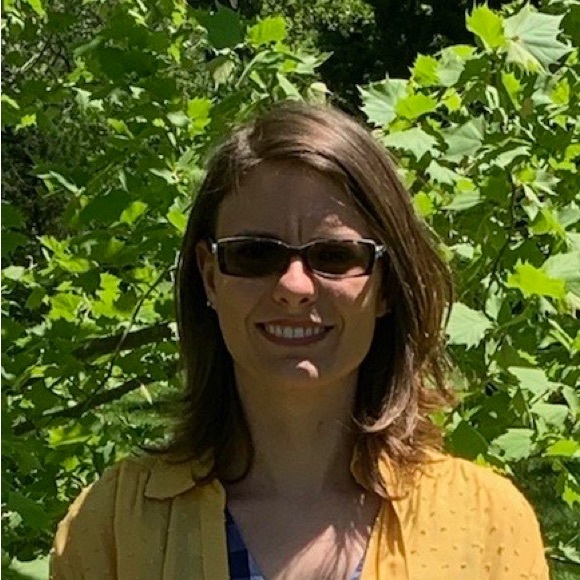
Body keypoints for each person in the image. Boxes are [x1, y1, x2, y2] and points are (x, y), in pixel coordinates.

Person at [51, 101, 549, 580]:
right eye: (254, 254)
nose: (294, 286)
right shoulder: (116, 524)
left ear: (386, 286)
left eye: (335, 256)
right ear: (209, 277)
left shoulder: (484, 525)